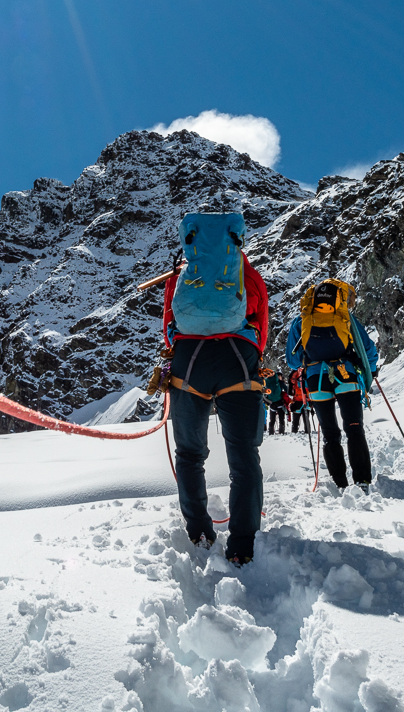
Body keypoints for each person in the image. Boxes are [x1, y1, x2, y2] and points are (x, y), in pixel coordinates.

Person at [162, 211, 270, 566]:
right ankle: (241, 544)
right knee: (244, 456)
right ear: (235, 240)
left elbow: (169, 324)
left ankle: (200, 533)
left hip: (189, 361)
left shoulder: (181, 275)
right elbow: (262, 321)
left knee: (190, 454)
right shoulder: (245, 273)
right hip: (237, 359)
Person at [284, 279, 378, 490]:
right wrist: (371, 369)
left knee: (329, 433)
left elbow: (292, 360)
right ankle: (362, 480)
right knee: (354, 428)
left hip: (316, 380)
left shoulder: (302, 320)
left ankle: (340, 483)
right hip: (346, 375)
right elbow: (367, 348)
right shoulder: (345, 317)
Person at [263, 367, 288, 434]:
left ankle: (271, 431)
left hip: (271, 402)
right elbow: (287, 390)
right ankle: (281, 431)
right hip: (279, 401)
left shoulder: (268, 382)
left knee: (272, 419)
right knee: (281, 418)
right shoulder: (280, 382)